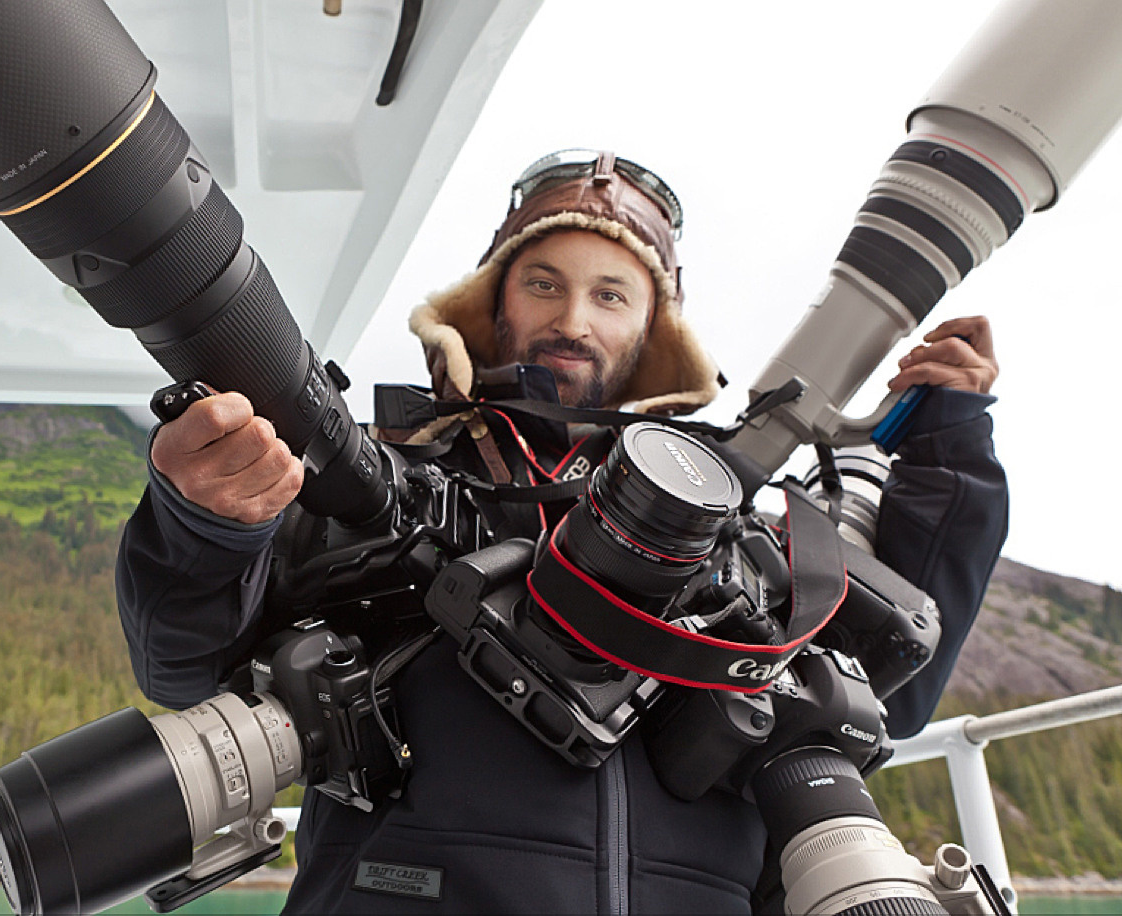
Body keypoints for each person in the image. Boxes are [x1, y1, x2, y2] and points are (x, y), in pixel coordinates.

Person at [116, 150, 1007, 914]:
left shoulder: (738, 528)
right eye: (544, 283)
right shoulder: (376, 487)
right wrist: (203, 520)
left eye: (610, 294)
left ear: (652, 326)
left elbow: (891, 698)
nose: (573, 320)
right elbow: (183, 670)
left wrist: (950, 453)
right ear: (493, 300)